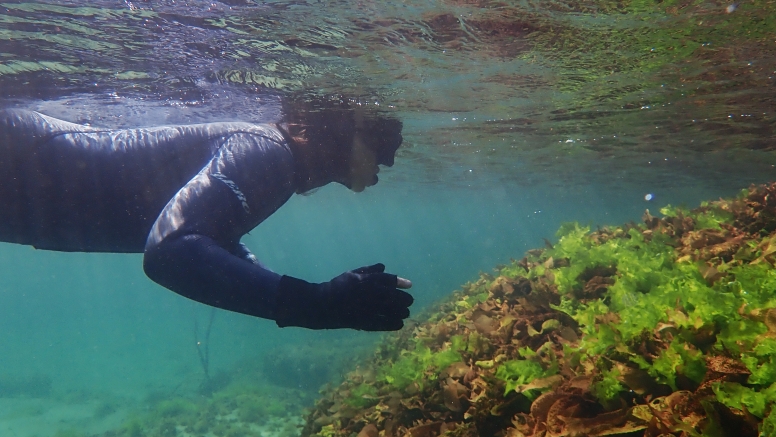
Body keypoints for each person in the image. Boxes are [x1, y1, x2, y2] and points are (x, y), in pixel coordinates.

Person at [0, 100, 413, 331]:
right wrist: (315, 303)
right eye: (381, 136)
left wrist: (316, 301)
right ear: (338, 128)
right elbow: (171, 251)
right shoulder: (267, 152)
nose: (390, 156)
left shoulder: (275, 162)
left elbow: (211, 237)